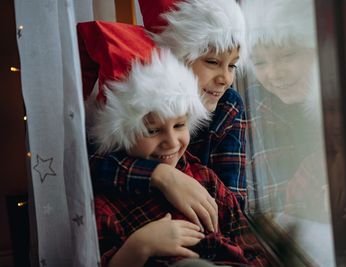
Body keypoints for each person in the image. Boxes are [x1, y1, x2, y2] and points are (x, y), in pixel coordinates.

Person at [78, 21, 270, 267]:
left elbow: (243, 234)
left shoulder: (207, 177)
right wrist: (141, 244)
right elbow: (93, 161)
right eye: (153, 130)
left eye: (180, 126)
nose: (225, 79)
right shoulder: (107, 205)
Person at [86, 0, 248, 236]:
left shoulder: (229, 106)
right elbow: (93, 163)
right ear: (177, 57)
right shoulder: (135, 103)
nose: (226, 78)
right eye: (212, 62)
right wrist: (162, 175)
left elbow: (233, 205)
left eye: (232, 66)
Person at [241, 0, 329, 221]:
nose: (274, 74)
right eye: (260, 63)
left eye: (288, 56)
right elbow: (282, 215)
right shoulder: (258, 107)